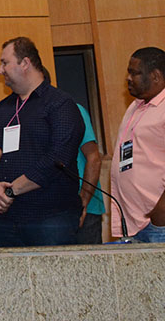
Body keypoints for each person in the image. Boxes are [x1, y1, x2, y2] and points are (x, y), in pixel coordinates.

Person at [0, 36, 84, 247]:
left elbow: (59, 158)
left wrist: (11, 191)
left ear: (25, 63)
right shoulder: (3, 108)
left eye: (4, 62)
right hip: (5, 221)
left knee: (55, 279)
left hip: (51, 220)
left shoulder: (60, 104)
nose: (0, 70)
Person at [110, 46, 165, 243]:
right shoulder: (135, 107)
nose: (128, 78)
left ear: (156, 76)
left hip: (158, 223)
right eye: (129, 72)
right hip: (134, 223)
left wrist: (160, 214)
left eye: (135, 73)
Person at [74, 103, 105, 244]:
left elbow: (94, 158)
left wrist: (83, 202)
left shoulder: (72, 109)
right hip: (53, 211)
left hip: (85, 208)